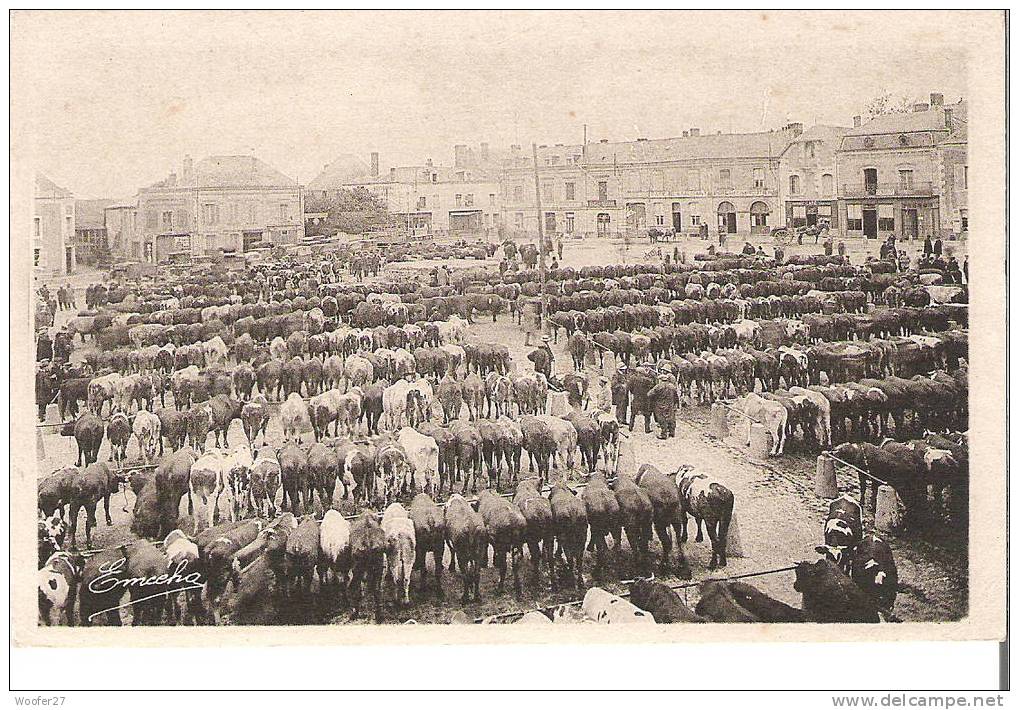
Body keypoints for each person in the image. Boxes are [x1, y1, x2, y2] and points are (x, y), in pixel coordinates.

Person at [647, 374, 680, 439]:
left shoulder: (658, 386)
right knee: (671, 418)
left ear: (660, 380)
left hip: (660, 405)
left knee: (661, 419)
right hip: (670, 405)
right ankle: (672, 432)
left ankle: (664, 434)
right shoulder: (672, 386)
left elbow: (649, 394)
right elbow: (676, 396)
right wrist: (676, 404)